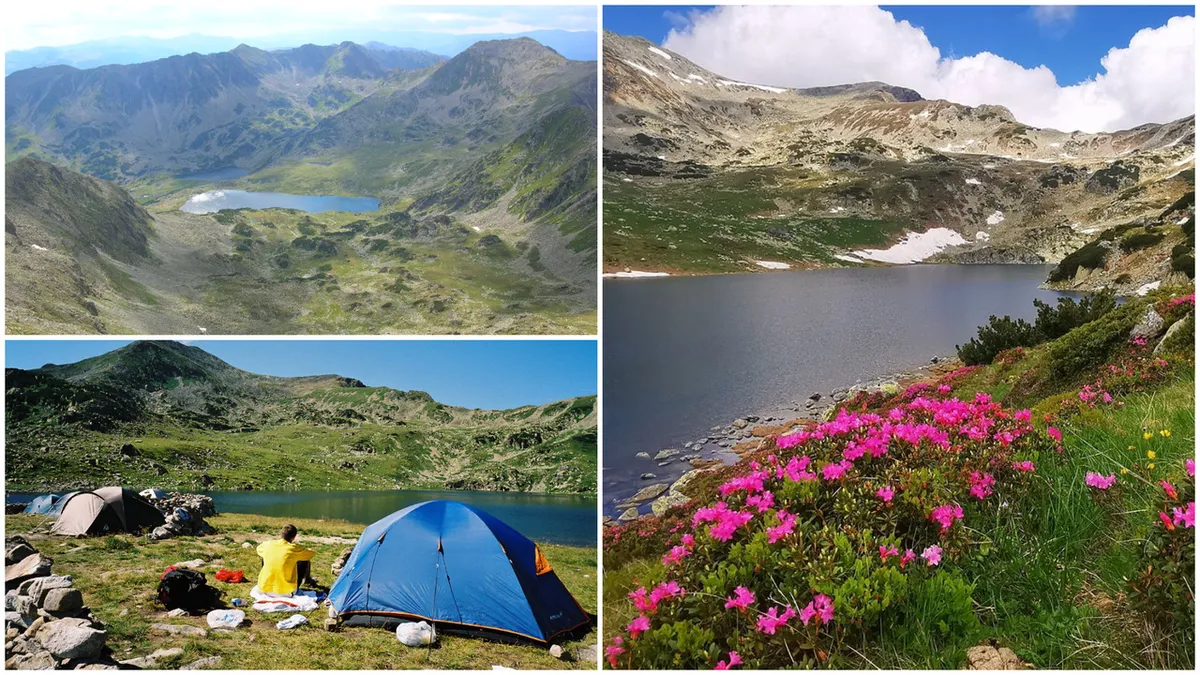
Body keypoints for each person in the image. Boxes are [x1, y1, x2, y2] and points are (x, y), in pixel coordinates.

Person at [255, 524, 319, 595]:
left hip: (264, 589)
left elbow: (258, 548)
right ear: (293, 538)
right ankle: (306, 580)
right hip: (286, 592)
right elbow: (311, 554)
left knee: (266, 556)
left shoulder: (268, 545)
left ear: (281, 534)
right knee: (304, 560)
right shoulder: (294, 549)